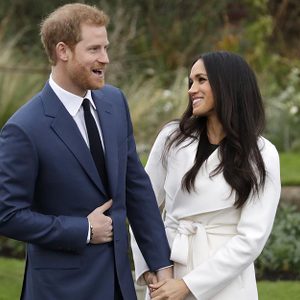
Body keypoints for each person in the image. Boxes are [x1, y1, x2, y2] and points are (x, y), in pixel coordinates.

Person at [0, 3, 172, 300]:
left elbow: (136, 187)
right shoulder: (24, 128)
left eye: (105, 48)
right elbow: (7, 213)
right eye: (94, 49)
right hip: (60, 292)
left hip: (119, 286)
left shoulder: (115, 103)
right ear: (62, 51)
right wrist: (83, 230)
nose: (105, 59)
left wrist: (161, 262)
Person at [131, 51, 281, 300]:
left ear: (227, 85)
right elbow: (142, 206)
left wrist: (188, 285)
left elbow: (251, 239)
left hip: (225, 283)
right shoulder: (172, 138)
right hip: (167, 273)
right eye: (191, 81)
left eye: (201, 80)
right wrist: (152, 267)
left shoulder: (262, 154)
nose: (192, 89)